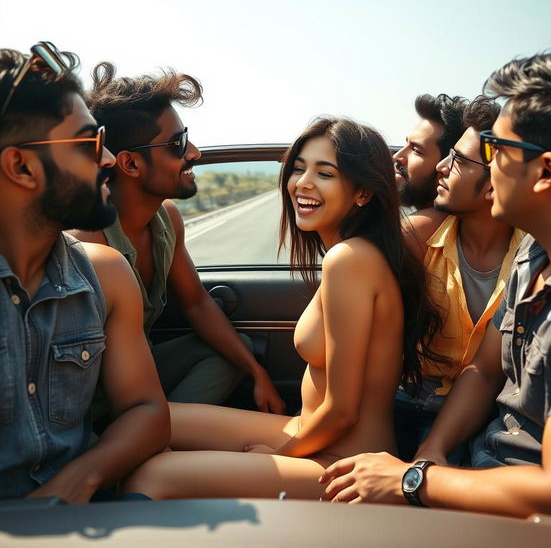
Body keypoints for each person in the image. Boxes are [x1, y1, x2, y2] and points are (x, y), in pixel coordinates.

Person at [321, 47, 551, 529]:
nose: (487, 170)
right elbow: (488, 369)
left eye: (497, 151)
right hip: (478, 474)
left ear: (546, 173)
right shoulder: (539, 250)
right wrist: (428, 456)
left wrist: (411, 483)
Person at [121, 116, 442, 500]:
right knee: (152, 421)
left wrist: (276, 457)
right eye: (299, 169)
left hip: (344, 460)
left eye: (325, 173)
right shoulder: (356, 254)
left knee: (151, 475)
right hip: (310, 428)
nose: (302, 183)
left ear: (362, 193)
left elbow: (343, 412)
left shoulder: (349, 260)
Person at [0, 43, 169, 503]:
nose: (110, 159)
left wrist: (76, 483)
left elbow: (148, 410)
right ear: (21, 166)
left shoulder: (105, 273)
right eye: (90, 143)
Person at [73, 62, 284, 413]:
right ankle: (145, 440)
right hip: (91, 397)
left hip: (140, 376)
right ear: (130, 164)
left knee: (236, 351)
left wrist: (258, 374)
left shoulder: (166, 218)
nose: (194, 153)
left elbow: (197, 303)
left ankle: (160, 435)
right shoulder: (89, 242)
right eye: (178, 143)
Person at [394, 95, 525, 461]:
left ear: (493, 184)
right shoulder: (419, 239)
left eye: (459, 161)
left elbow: (486, 372)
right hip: (405, 401)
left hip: (484, 419)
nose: (441, 167)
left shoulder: (532, 257)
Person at [392, 93, 468, 256]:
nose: (398, 156)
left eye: (416, 150)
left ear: (446, 165)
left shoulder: (412, 232)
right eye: (406, 144)